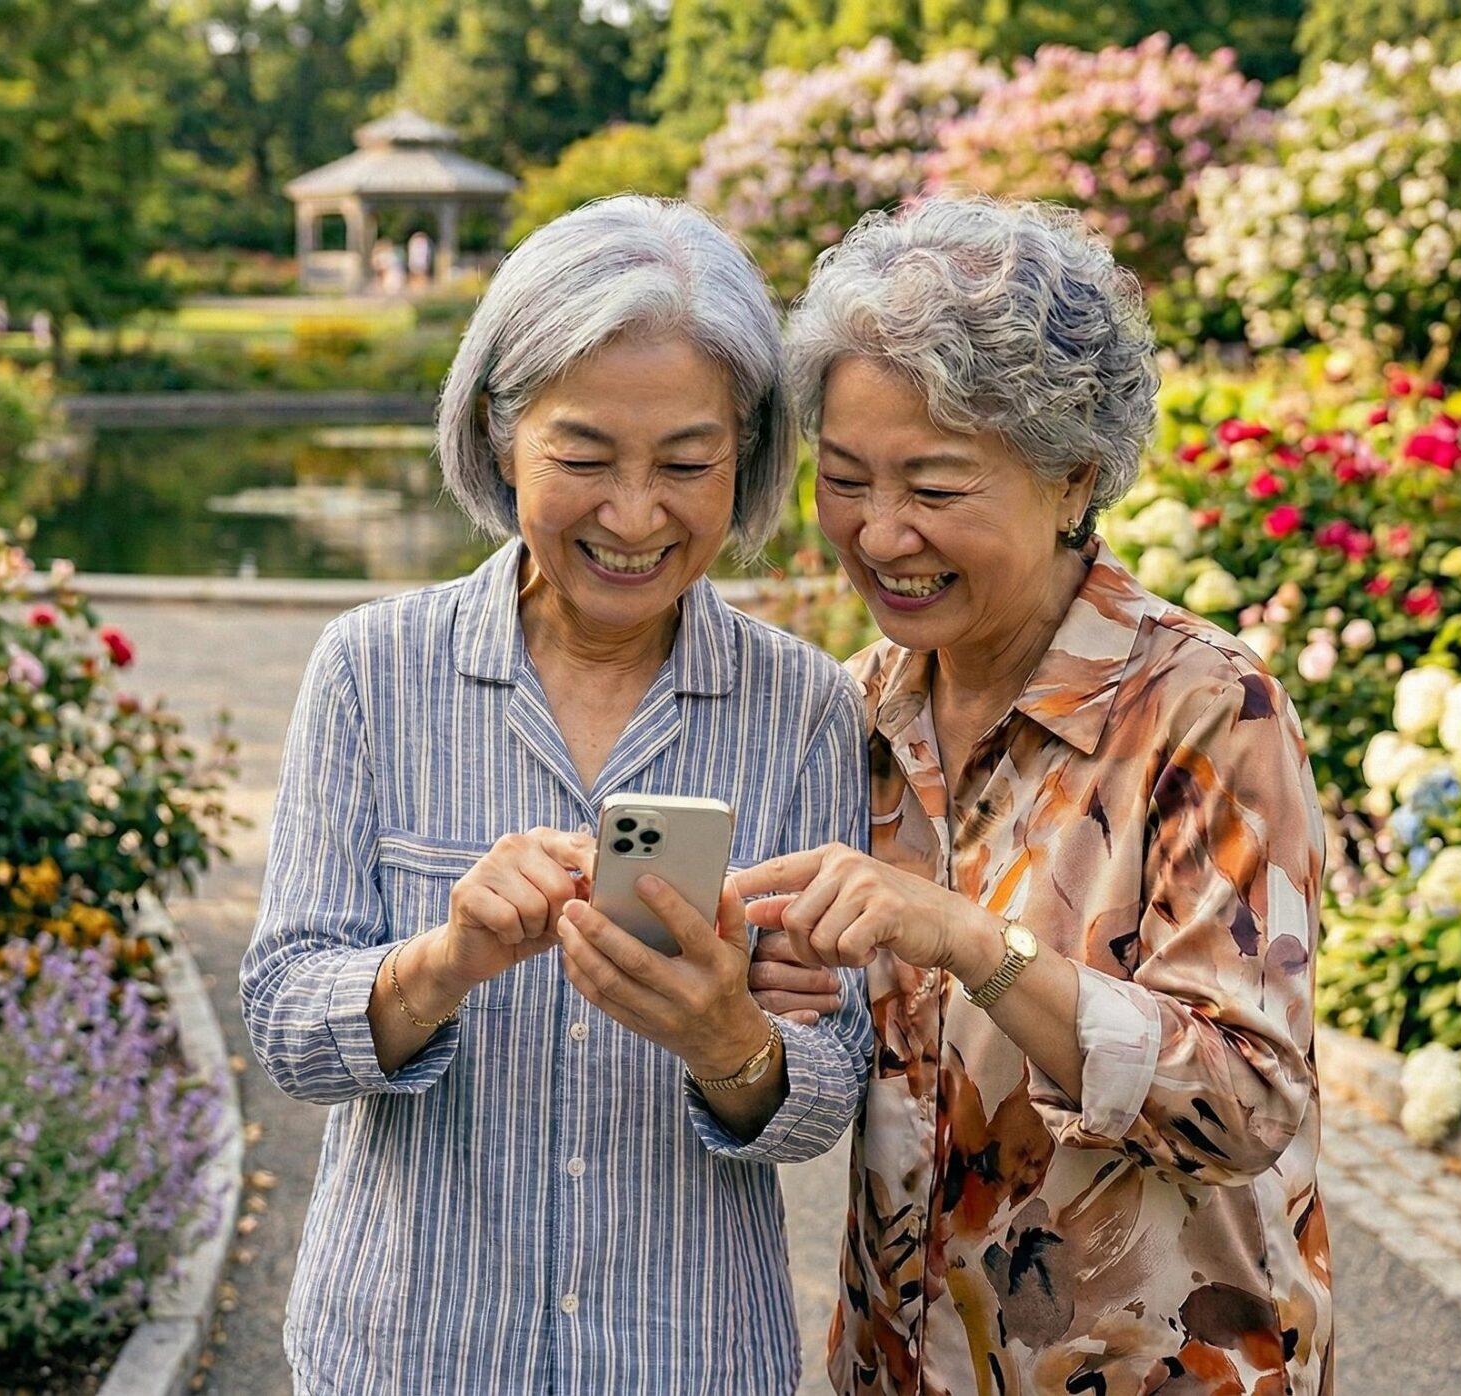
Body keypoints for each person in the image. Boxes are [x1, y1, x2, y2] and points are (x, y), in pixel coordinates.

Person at [241, 195, 873, 1395]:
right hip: (405, 1348)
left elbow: (825, 1090)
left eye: (686, 464)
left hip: (680, 1355)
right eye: (583, 458)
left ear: (742, 455)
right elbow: (283, 1020)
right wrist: (442, 962)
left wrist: (728, 1038)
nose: (634, 516)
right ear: (498, 432)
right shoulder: (374, 669)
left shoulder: (802, 707)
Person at [743, 196, 1334, 1395]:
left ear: (1072, 480)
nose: (879, 531)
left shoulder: (1203, 705)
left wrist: (970, 941)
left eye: (937, 485)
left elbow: (1250, 1104)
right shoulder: (852, 710)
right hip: (899, 1359)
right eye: (845, 478)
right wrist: (773, 990)